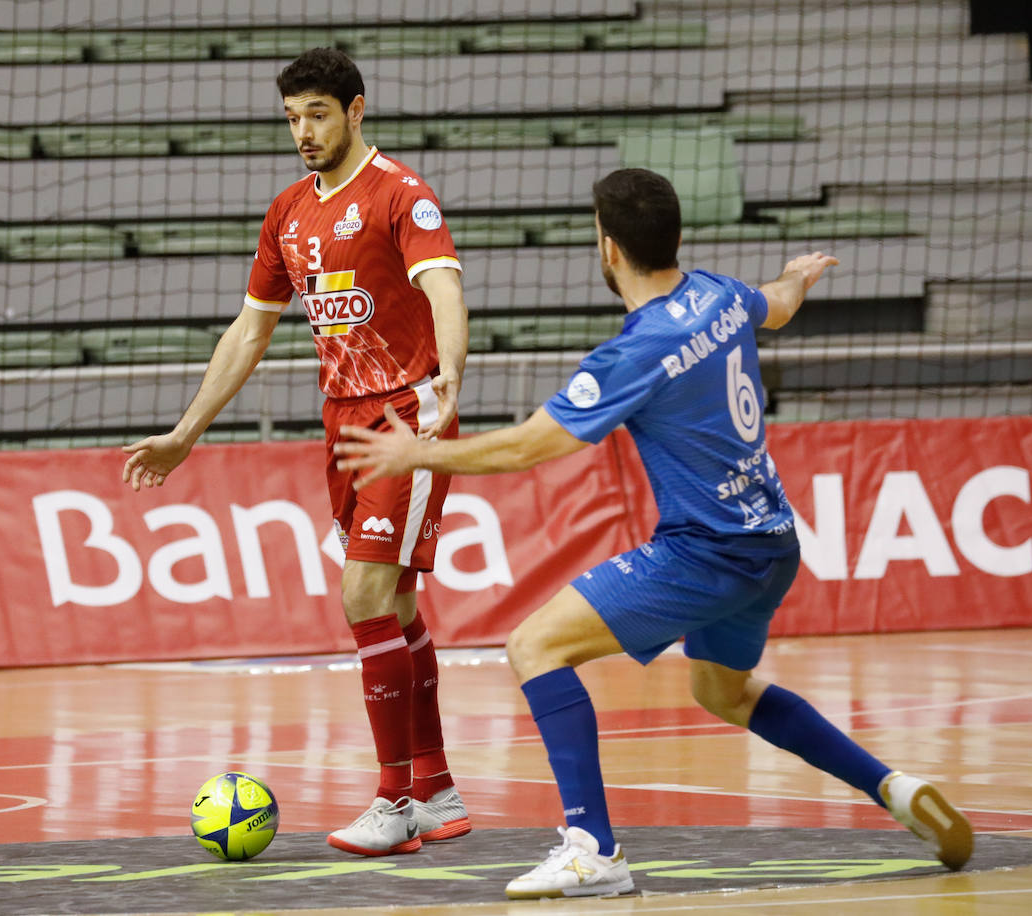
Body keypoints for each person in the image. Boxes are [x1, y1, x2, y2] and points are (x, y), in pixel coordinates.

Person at [336, 168, 974, 899]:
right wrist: (797, 275)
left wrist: (419, 452)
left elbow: (529, 447)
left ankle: (592, 848)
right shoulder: (722, 294)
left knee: (535, 645)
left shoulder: (636, 351)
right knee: (726, 693)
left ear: (607, 247)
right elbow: (781, 306)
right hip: (771, 543)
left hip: (705, 553)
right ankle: (893, 787)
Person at [121, 47, 472, 856]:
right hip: (343, 423)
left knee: (363, 598)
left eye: (316, 114)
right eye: (291, 118)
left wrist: (450, 372)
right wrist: (184, 434)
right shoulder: (286, 213)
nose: (303, 132)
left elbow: (443, 285)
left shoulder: (400, 194)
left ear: (355, 110)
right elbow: (250, 332)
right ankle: (438, 789)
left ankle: (392, 802)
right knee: (400, 607)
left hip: (407, 417)